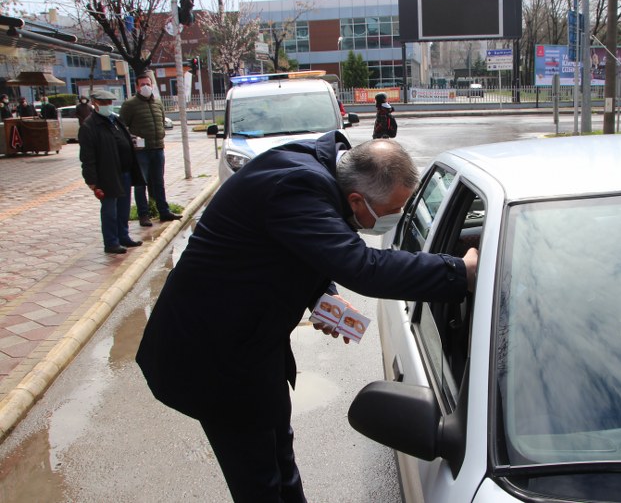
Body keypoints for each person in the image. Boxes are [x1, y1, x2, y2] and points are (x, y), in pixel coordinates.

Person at [136, 132, 478, 502]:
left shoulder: (321, 174)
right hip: (212, 358)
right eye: (393, 210)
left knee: (280, 455)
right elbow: (362, 267)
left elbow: (295, 246)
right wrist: (460, 271)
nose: (394, 218)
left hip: (253, 348)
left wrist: (322, 297)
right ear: (356, 199)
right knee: (259, 480)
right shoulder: (295, 184)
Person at [78, 90, 146, 254]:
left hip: (124, 172)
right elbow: (87, 158)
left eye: (110, 102)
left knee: (123, 208)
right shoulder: (89, 126)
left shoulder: (115, 120)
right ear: (95, 103)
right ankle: (111, 242)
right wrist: (92, 182)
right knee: (110, 210)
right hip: (107, 175)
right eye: (104, 103)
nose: (108, 105)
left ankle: (123, 236)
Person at [118, 71, 182, 227]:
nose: (146, 87)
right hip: (141, 152)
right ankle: (143, 215)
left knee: (159, 182)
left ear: (152, 85)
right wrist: (132, 140)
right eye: (142, 85)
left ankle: (164, 211)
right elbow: (121, 126)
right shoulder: (130, 105)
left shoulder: (157, 103)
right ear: (137, 87)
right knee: (141, 184)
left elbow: (160, 120)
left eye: (148, 84)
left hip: (157, 148)